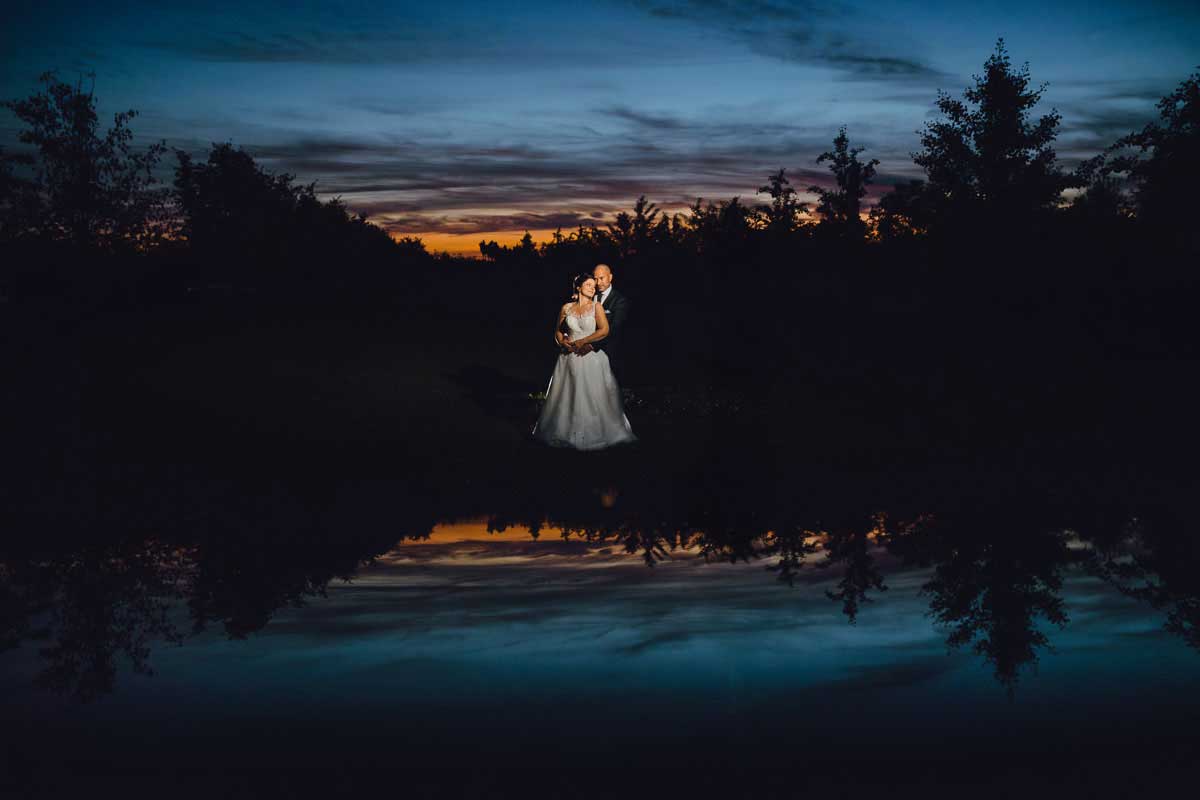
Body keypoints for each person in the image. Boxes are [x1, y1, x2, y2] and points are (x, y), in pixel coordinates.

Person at [532, 273, 636, 450]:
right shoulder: (566, 308)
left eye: (593, 285)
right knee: (567, 395)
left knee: (591, 395)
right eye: (588, 284)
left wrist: (585, 340)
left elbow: (604, 330)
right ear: (579, 287)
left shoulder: (597, 307)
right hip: (568, 358)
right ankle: (564, 430)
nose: (592, 287)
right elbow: (558, 331)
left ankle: (596, 431)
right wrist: (562, 342)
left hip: (590, 357)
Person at [572, 263, 629, 385]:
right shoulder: (591, 295)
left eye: (602, 278)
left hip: (609, 353)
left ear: (610, 277)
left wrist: (592, 345)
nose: (598, 283)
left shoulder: (620, 301)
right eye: (595, 279)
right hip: (584, 352)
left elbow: (614, 329)